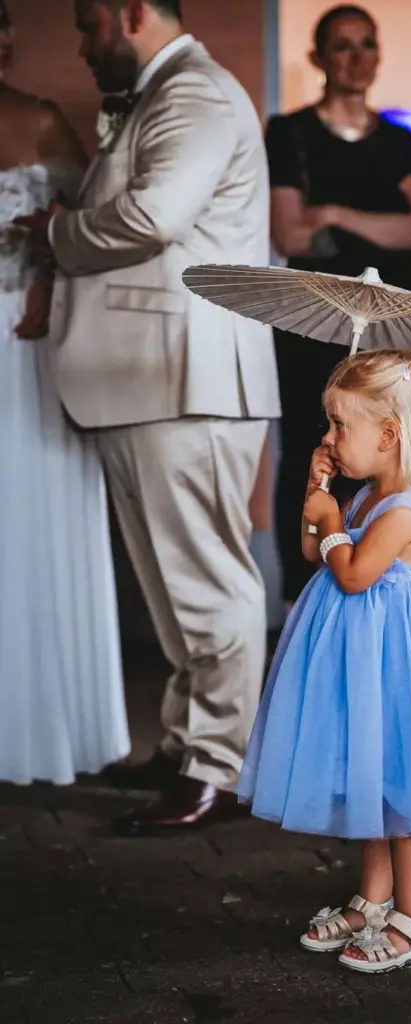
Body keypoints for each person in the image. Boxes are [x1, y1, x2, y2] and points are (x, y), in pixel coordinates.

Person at [18, 0, 280, 833]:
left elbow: (151, 217)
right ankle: (185, 745)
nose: (84, 45)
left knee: (207, 580)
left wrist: (59, 232)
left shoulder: (194, 91)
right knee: (175, 587)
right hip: (151, 378)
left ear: (132, 12)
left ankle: (220, 769)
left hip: (186, 376)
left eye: (90, 25)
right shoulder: (164, 93)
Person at [237, 350, 411, 974]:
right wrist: (318, 493)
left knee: (404, 801)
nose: (328, 438)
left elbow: (353, 574)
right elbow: (313, 552)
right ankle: (374, 901)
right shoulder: (361, 498)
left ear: (388, 436)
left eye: (339, 426)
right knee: (370, 787)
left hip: (400, 671)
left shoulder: (406, 510)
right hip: (363, 665)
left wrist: (330, 520)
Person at [0, 1, 130, 784]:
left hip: (26, 341)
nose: (3, 38)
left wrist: (49, 275)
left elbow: (94, 223)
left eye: (3, 23)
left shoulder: (44, 118)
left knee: (34, 510)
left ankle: (44, 723)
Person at [267, 4, 411, 609]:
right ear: (319, 58)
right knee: (312, 450)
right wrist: (376, 224)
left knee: (390, 448)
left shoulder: (400, 142)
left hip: (389, 324)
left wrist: (335, 214)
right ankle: (303, 599)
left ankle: (381, 581)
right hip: (312, 323)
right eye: (342, 46)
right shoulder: (290, 133)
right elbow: (288, 232)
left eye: (367, 44)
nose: (357, 58)